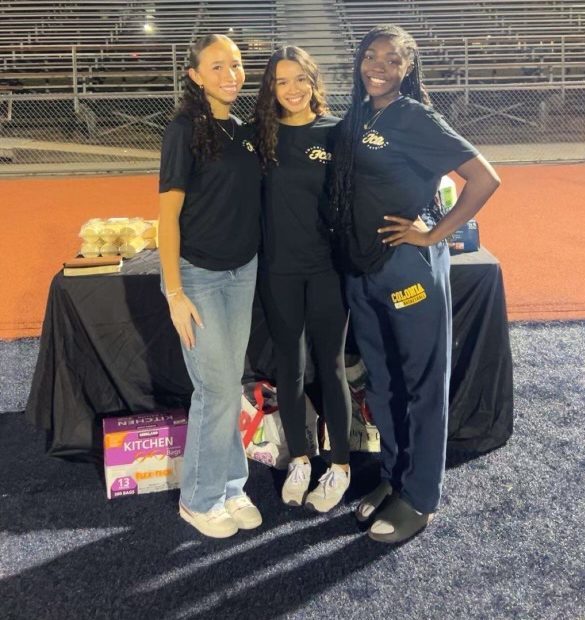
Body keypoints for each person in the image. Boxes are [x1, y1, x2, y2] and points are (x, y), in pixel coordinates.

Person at [331, 25, 500, 542]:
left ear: (407, 69)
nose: (377, 66)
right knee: (383, 383)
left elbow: (485, 178)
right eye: (370, 56)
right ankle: (393, 479)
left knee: (423, 383)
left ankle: (421, 497)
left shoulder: (414, 116)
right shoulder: (360, 113)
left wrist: (433, 235)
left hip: (407, 271)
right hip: (364, 271)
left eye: (391, 60)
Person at [158, 34, 263, 538]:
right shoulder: (183, 130)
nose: (230, 74)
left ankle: (231, 484)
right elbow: (167, 217)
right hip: (198, 275)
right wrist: (173, 292)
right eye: (217, 66)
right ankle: (198, 499)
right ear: (195, 75)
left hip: (243, 273)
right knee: (215, 387)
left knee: (229, 385)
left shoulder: (243, 129)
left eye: (237, 64)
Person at [253, 46, 352, 512]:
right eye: (280, 81)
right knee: (288, 369)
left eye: (299, 79)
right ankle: (301, 460)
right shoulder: (261, 137)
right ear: (271, 88)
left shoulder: (337, 132)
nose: (291, 90)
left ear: (314, 81)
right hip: (280, 271)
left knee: (330, 367)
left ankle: (340, 467)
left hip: (328, 270)